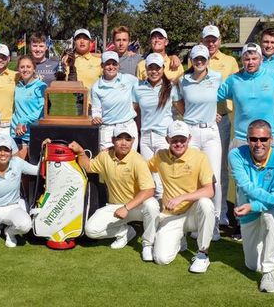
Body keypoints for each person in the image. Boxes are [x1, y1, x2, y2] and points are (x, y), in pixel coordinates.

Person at [69, 124, 159, 261]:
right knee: (91, 230)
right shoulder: (105, 156)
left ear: (133, 141)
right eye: (119, 138)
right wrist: (81, 152)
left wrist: (126, 207)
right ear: (112, 140)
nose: (124, 143)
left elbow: (149, 190)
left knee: (152, 205)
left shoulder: (138, 160)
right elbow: (88, 167)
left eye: (128, 139)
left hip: (135, 207)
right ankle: (125, 232)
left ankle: (148, 244)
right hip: (114, 206)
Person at [229, 120, 274, 293]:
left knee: (269, 216)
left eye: (263, 139)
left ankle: (269, 272)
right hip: (253, 209)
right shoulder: (235, 155)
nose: (258, 144)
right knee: (252, 265)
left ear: (271, 139)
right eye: (253, 139)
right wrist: (272, 202)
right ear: (247, 139)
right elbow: (247, 187)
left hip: (271, 208)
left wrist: (255, 206)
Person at [148, 121, 216, 273]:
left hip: (193, 214)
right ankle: (180, 239)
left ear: (189, 139)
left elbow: (209, 191)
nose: (179, 144)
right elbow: (143, 168)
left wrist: (182, 197)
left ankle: (203, 254)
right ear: (167, 140)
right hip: (170, 215)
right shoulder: (160, 156)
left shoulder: (200, 157)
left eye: (182, 140)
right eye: (174, 140)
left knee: (206, 203)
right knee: (161, 259)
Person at [178, 44, 223, 239]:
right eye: (196, 58)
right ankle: (194, 221)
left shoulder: (216, 77)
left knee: (213, 179)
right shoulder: (183, 80)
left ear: (207, 60)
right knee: (192, 177)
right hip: (191, 132)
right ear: (191, 60)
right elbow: (178, 103)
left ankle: (214, 223)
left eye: (203, 59)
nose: (199, 61)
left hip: (211, 131)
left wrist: (216, 113)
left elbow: (221, 98)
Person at [202, 25, 240, 227]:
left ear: (219, 40)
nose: (211, 43)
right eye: (207, 39)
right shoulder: (196, 58)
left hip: (221, 120)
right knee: (201, 167)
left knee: (220, 169)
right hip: (200, 122)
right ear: (202, 40)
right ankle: (202, 209)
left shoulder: (229, 62)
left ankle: (222, 211)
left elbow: (237, 88)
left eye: (214, 39)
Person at [133, 53, 183, 200]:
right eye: (150, 68)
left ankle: (164, 214)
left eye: (157, 68)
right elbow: (132, 110)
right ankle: (152, 215)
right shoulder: (138, 87)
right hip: (146, 138)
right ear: (146, 69)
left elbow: (183, 111)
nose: (154, 71)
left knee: (162, 177)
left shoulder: (171, 88)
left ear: (163, 68)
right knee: (149, 178)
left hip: (164, 138)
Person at [217, 43, 274, 149]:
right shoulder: (233, 80)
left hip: (269, 138)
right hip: (242, 139)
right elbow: (212, 97)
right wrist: (211, 114)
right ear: (242, 60)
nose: (251, 62)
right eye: (247, 59)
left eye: (254, 58)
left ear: (261, 59)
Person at [0, 136, 39, 249]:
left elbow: (37, 170)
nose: (3, 153)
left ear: (11, 152)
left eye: (6, 150)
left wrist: (45, 149)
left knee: (26, 225)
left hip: (13, 207)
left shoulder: (17, 163)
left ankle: (9, 232)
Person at [90, 51, 139, 151]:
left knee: (129, 161)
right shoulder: (96, 87)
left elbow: (144, 87)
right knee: (106, 162)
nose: (111, 67)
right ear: (102, 65)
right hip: (107, 128)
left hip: (128, 125)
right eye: (108, 64)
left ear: (118, 65)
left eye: (114, 64)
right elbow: (96, 110)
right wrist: (96, 117)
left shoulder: (129, 79)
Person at [11, 55, 47, 159]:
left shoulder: (41, 86)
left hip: (32, 133)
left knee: (31, 168)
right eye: (22, 67)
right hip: (16, 132)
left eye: (28, 66)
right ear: (18, 69)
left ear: (34, 68)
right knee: (17, 169)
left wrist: (23, 121)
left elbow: (42, 110)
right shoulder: (18, 86)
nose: (25, 69)